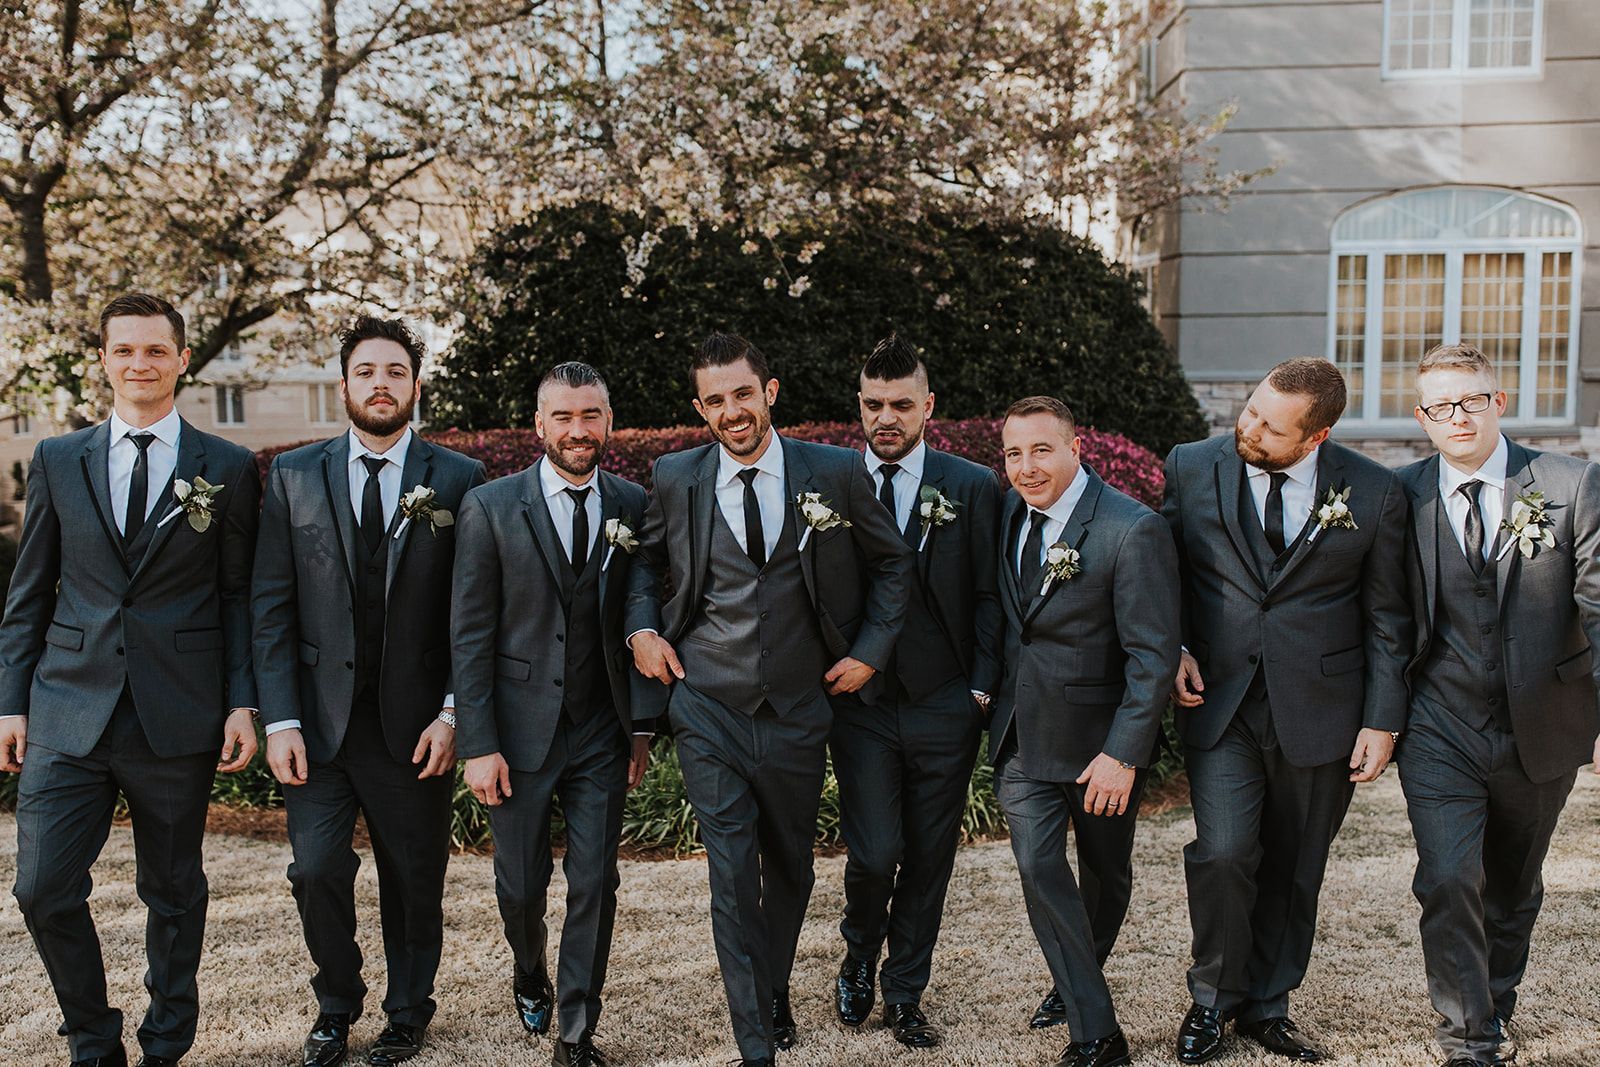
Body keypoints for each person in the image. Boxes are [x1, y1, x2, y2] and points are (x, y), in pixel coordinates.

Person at [625, 333, 911, 1066]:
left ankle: (773, 983)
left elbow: (893, 564)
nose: (732, 411)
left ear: (770, 391)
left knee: (790, 865)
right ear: (700, 408)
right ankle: (755, 1035)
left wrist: (869, 651)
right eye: (715, 400)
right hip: (707, 706)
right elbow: (646, 562)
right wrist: (641, 627)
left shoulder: (836, 472)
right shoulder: (675, 475)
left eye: (742, 394)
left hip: (797, 710)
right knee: (730, 871)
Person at [0, 293, 261, 1067]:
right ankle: (91, 1037)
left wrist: (242, 700)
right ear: (105, 361)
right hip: (67, 706)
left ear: (184, 360)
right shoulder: (57, 458)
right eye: (125, 351)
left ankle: (166, 1041)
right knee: (40, 888)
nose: (140, 364)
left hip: (176, 711)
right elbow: (28, 591)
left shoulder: (228, 467)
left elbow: (239, 594)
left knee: (173, 891)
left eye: (156, 350)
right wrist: (9, 700)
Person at [1161, 357, 1410, 1063]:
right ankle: (1212, 998)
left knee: (1298, 863)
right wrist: (1173, 643)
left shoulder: (1374, 491)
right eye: (1250, 409)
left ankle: (1268, 1003)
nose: (1249, 428)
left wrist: (1382, 718)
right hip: (1222, 701)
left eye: (1271, 427)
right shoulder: (1190, 463)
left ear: (1315, 437)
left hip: (1324, 708)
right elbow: (1164, 570)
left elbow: (1388, 616)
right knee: (1224, 852)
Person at [252, 315, 485, 1066]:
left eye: (394, 371)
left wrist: (454, 713)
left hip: (415, 726)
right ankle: (335, 1003)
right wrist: (279, 717)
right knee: (315, 869)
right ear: (343, 384)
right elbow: (271, 604)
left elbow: (472, 614)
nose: (380, 383)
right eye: (365, 371)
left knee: (414, 880)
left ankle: (409, 1011)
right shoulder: (293, 474)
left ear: (415, 385)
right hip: (317, 725)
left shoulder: (459, 479)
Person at [1396, 343, 1600, 1067]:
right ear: (1422, 417)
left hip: (1543, 721)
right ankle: (1469, 1038)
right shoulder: (1403, 494)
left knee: (1513, 882)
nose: (1458, 415)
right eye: (1441, 405)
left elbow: (1599, 602)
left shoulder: (1571, 483)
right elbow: (1386, 617)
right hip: (1437, 723)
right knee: (1449, 876)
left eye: (1471, 400)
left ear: (1498, 402)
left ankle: (1495, 998)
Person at [451, 361, 660, 1067]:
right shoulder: (491, 506)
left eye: (590, 415)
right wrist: (478, 741)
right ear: (538, 424)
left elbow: (645, 614)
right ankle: (528, 966)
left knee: (596, 879)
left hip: (600, 728)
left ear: (608, 422)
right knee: (520, 886)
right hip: (514, 732)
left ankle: (576, 1029)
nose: (578, 430)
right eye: (563, 417)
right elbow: (470, 632)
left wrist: (641, 727)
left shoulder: (633, 503)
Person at [989, 395, 1181, 1067]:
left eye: (1042, 449)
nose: (1026, 465)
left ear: (1076, 449)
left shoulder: (1132, 530)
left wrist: (1122, 755)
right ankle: (1098, 1030)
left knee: (1106, 875)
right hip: (1021, 735)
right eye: (1014, 452)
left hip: (1100, 744)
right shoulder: (1007, 510)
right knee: (1040, 865)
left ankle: (1075, 978)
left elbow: (1153, 655)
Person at [828, 334, 1003, 1049]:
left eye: (901, 404)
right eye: (874, 405)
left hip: (945, 705)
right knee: (873, 853)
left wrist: (981, 692)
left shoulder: (971, 486)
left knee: (930, 856)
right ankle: (858, 952)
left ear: (929, 406)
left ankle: (905, 993)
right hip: (862, 708)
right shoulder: (831, 482)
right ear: (860, 407)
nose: (886, 418)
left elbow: (993, 595)